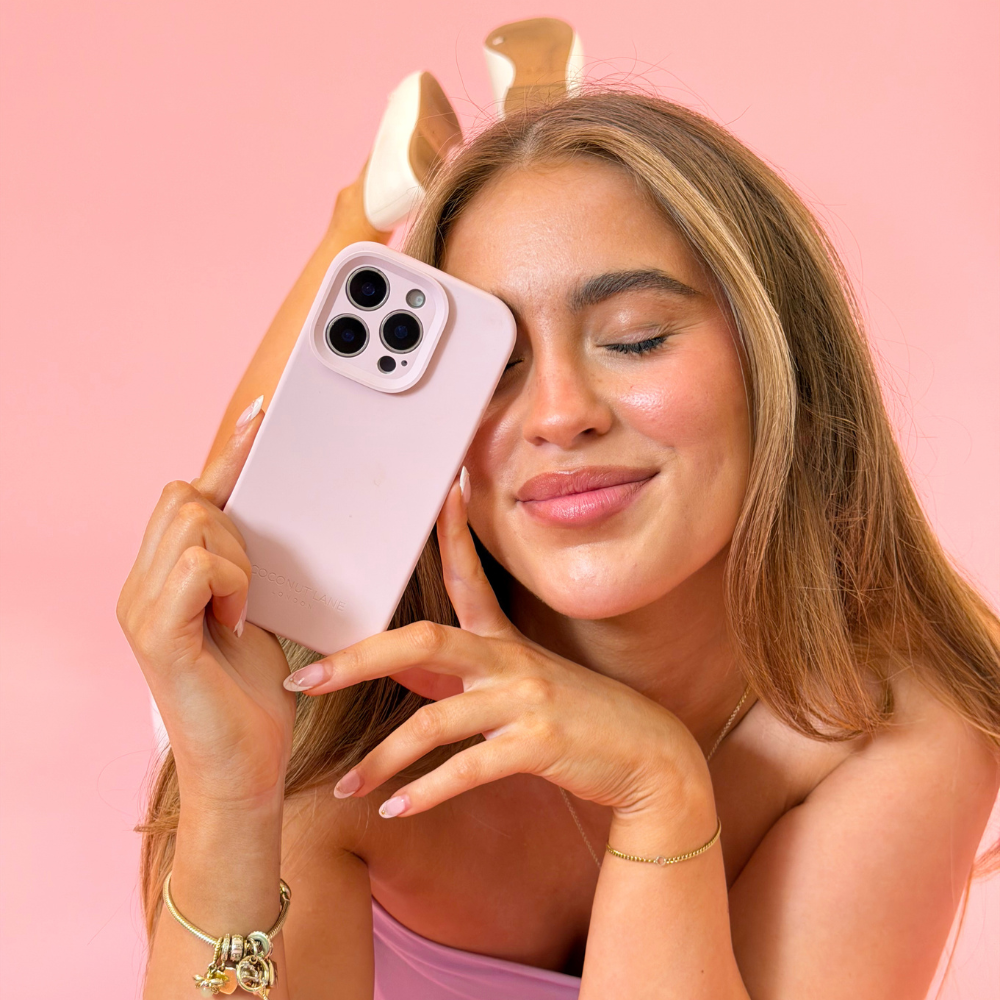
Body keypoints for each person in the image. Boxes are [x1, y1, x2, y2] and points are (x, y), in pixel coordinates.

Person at [117, 19, 1000, 1000]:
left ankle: (518, 128)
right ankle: (357, 218)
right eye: (491, 368)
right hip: (298, 658)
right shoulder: (332, 731)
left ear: (776, 357)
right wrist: (231, 800)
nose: (559, 416)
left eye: (635, 337)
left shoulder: (897, 730)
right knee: (263, 498)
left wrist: (660, 794)